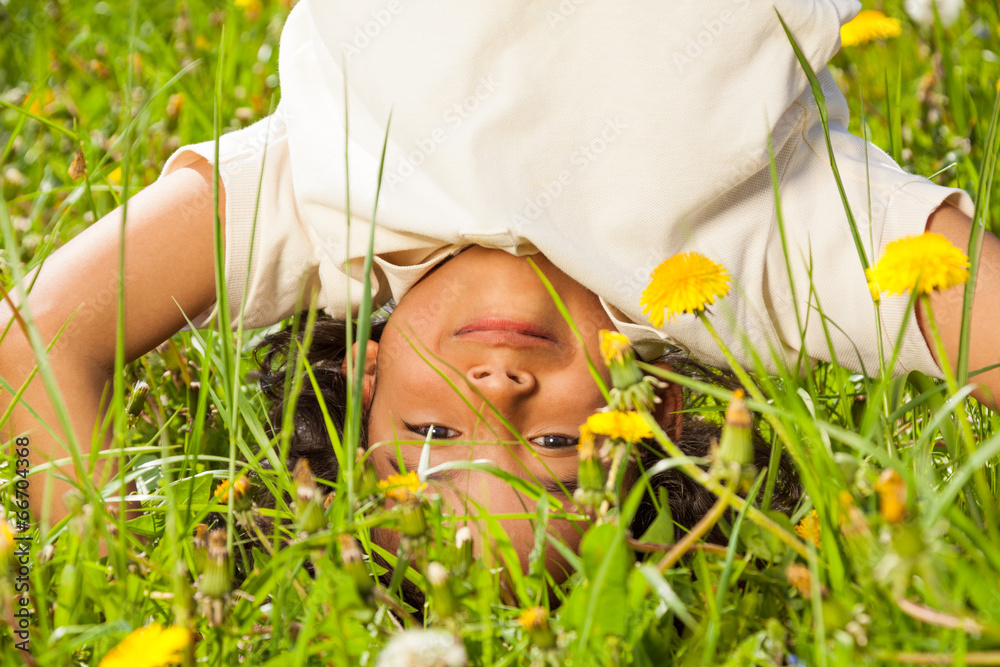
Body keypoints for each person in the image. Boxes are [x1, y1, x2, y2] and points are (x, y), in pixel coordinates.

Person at [2, 0, 999, 575]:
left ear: (363, 374)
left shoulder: (322, 209)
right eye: (559, 447)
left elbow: (41, 333)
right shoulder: (751, 266)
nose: (498, 395)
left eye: (433, 438)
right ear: (650, 411)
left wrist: (118, 577)